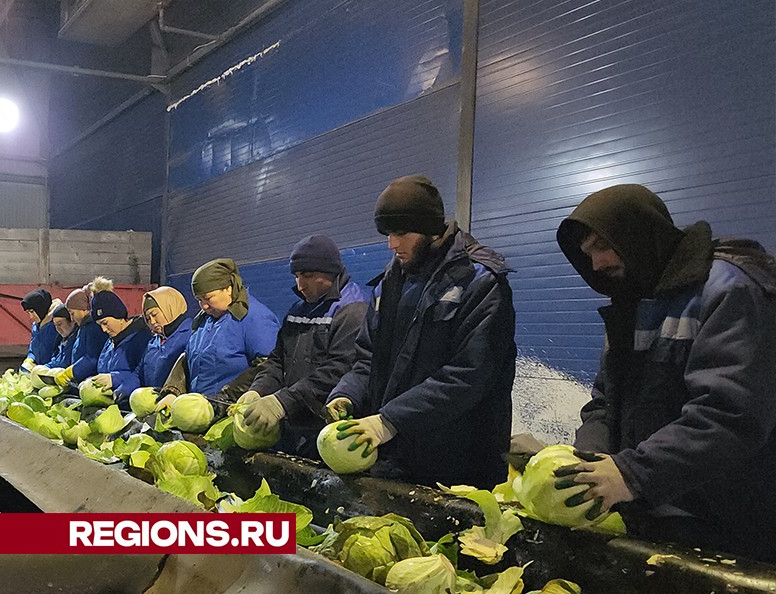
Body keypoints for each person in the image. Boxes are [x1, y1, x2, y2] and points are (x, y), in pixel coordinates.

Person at [552, 184, 776, 561]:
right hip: (655, 515)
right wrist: (588, 458)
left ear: (638, 234)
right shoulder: (632, 299)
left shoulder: (730, 289)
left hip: (729, 523)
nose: (597, 264)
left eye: (603, 246)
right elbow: (606, 401)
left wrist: (632, 473)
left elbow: (730, 414)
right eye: (588, 254)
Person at [326, 175, 516, 487]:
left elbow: (470, 374)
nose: (392, 244)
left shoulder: (479, 282)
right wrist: (347, 393)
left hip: (459, 469)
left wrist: (390, 419)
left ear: (429, 227)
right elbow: (368, 358)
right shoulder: (390, 283)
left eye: (401, 232)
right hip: (395, 461)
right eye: (387, 233)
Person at [237, 235, 368, 456]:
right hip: (293, 427)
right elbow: (278, 360)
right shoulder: (298, 310)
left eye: (308, 275)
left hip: (328, 434)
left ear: (330, 272)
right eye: (297, 276)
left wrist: (283, 402)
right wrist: (258, 390)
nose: (300, 284)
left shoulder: (352, 310)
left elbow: (338, 370)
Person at [157, 258, 279, 407]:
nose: (204, 306)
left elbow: (268, 364)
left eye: (208, 298)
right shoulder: (204, 320)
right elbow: (188, 357)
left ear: (228, 288)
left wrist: (225, 399)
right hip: (199, 412)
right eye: (199, 300)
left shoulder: (255, 318)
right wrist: (172, 390)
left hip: (232, 411)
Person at [117, 287, 192, 400]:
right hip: (151, 403)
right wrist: (123, 389)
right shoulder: (154, 341)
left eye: (154, 314)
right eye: (147, 318)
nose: (152, 322)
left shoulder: (190, 335)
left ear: (170, 308)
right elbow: (139, 373)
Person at [85, 277, 151, 398]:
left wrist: (114, 379)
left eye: (105, 323)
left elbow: (141, 374)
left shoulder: (141, 338)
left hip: (128, 402)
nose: (103, 330)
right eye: (100, 325)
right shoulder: (110, 341)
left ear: (118, 315)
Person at [51, 284, 106, 388]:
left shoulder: (93, 328)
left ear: (84, 309)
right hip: (81, 380)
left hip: (91, 382)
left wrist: (72, 372)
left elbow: (92, 358)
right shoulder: (84, 327)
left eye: (72, 313)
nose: (72, 319)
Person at [19, 288, 60, 372]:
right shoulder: (36, 325)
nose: (31, 316)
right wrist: (30, 359)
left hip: (53, 372)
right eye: (28, 312)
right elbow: (33, 347)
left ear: (40, 307)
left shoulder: (57, 324)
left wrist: (46, 368)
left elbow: (61, 352)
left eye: (32, 311)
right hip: (39, 372)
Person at [44, 303, 77, 370]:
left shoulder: (78, 339)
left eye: (60, 324)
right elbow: (56, 359)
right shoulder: (60, 340)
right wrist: (46, 367)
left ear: (72, 321)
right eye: (55, 325)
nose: (57, 329)